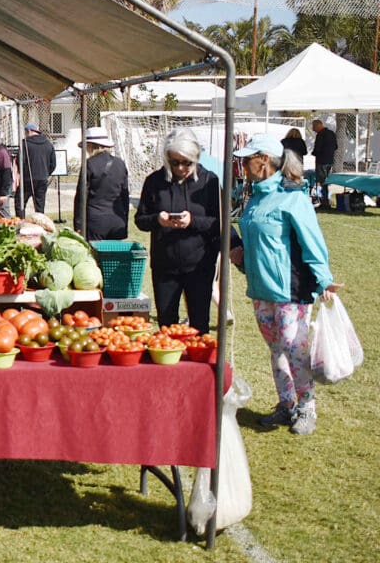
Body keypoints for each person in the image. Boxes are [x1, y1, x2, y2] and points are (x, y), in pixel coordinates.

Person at [229, 133, 341, 436]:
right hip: (261, 291)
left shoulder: (294, 198)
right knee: (276, 350)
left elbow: (312, 243)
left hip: (290, 292)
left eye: (247, 160)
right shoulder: (254, 198)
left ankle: (307, 408)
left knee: (295, 352)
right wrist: (239, 258)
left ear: (263, 160)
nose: (243, 166)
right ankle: (286, 404)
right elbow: (256, 245)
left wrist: (324, 280)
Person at [134, 131, 220, 334]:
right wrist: (158, 219)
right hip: (165, 266)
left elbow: (219, 224)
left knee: (199, 325)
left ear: (196, 158)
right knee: (166, 325)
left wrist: (192, 221)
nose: (180, 168)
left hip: (199, 266)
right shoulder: (154, 181)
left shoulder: (210, 181)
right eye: (174, 162)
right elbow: (140, 220)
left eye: (186, 162)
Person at [74, 126, 129, 241]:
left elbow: (81, 197)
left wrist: (78, 225)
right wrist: (125, 221)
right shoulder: (120, 164)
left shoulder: (89, 164)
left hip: (95, 220)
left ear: (90, 145)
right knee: (115, 257)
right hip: (117, 218)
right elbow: (125, 196)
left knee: (95, 257)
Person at [16, 123, 57, 217]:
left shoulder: (25, 144)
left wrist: (24, 173)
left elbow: (20, 161)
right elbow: (53, 164)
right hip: (42, 178)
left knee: (20, 202)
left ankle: (21, 221)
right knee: (40, 205)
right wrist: (46, 173)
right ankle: (40, 224)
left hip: (27, 179)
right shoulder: (48, 143)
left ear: (29, 131)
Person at [310, 119, 338, 208]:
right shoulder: (332, 133)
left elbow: (317, 149)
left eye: (314, 127)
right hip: (330, 161)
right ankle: (326, 199)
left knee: (321, 181)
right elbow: (336, 146)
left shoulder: (320, 135)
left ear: (319, 125)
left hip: (321, 161)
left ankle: (324, 200)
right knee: (326, 181)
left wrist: (313, 153)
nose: (313, 129)